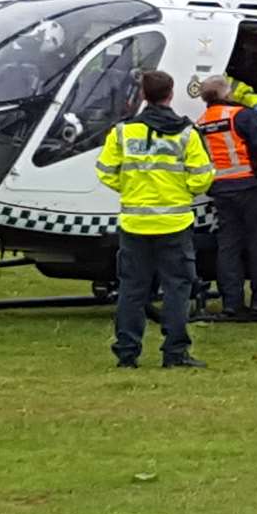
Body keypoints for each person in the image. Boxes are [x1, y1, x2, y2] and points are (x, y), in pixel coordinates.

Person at [97, 70, 214, 369]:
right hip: (174, 222)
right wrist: (181, 191)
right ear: (170, 94)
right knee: (177, 289)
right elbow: (202, 177)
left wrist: (131, 189)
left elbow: (105, 171)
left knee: (131, 290)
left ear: (142, 95)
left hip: (134, 223)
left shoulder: (123, 132)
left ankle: (127, 353)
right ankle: (175, 353)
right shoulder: (186, 133)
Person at [196, 75, 257, 318]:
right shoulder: (241, 115)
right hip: (251, 186)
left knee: (228, 247)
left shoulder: (201, 122)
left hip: (221, 189)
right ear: (227, 93)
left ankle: (231, 303)